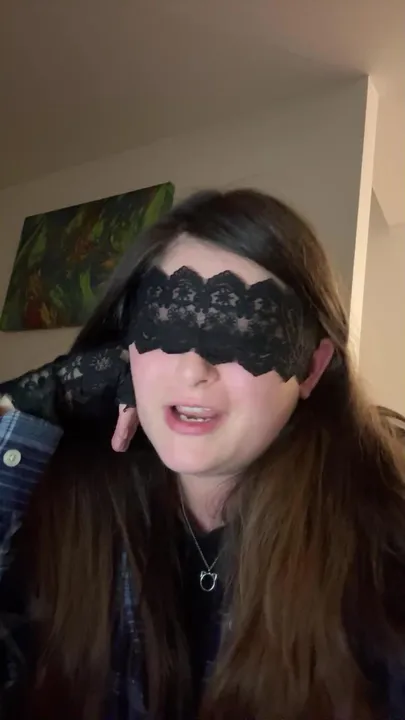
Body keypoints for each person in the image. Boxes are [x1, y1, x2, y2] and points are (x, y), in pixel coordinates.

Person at [0, 189, 405, 720]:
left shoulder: (381, 551)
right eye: (165, 319)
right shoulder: (74, 501)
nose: (193, 369)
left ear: (310, 367)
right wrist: (43, 397)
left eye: (243, 327)